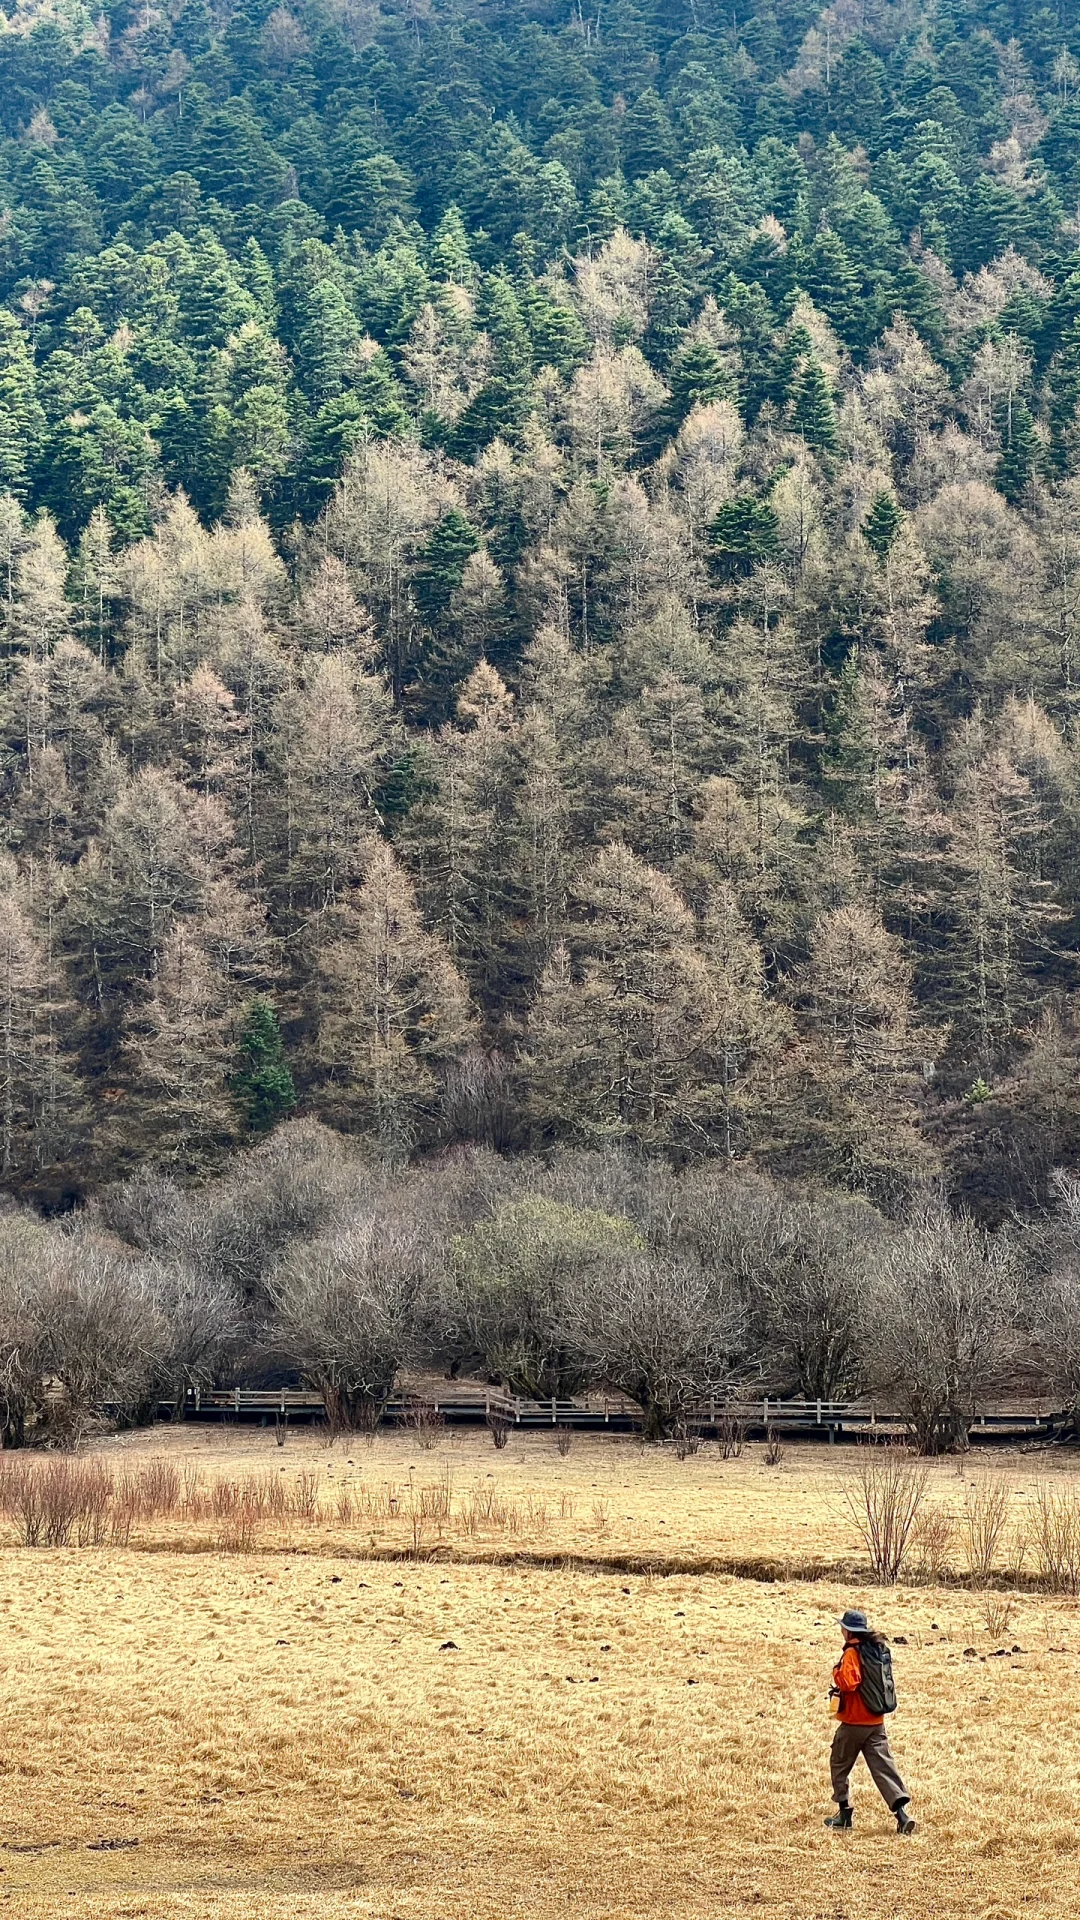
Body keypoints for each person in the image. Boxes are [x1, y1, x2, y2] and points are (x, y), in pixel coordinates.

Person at [824, 1607, 915, 1834]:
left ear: (848, 1631)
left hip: (855, 1722)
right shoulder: (875, 1649)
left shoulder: (852, 1653)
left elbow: (849, 1683)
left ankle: (844, 1815)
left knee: (839, 1764)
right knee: (884, 1768)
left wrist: (837, 1670)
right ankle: (902, 1817)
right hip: (876, 1721)